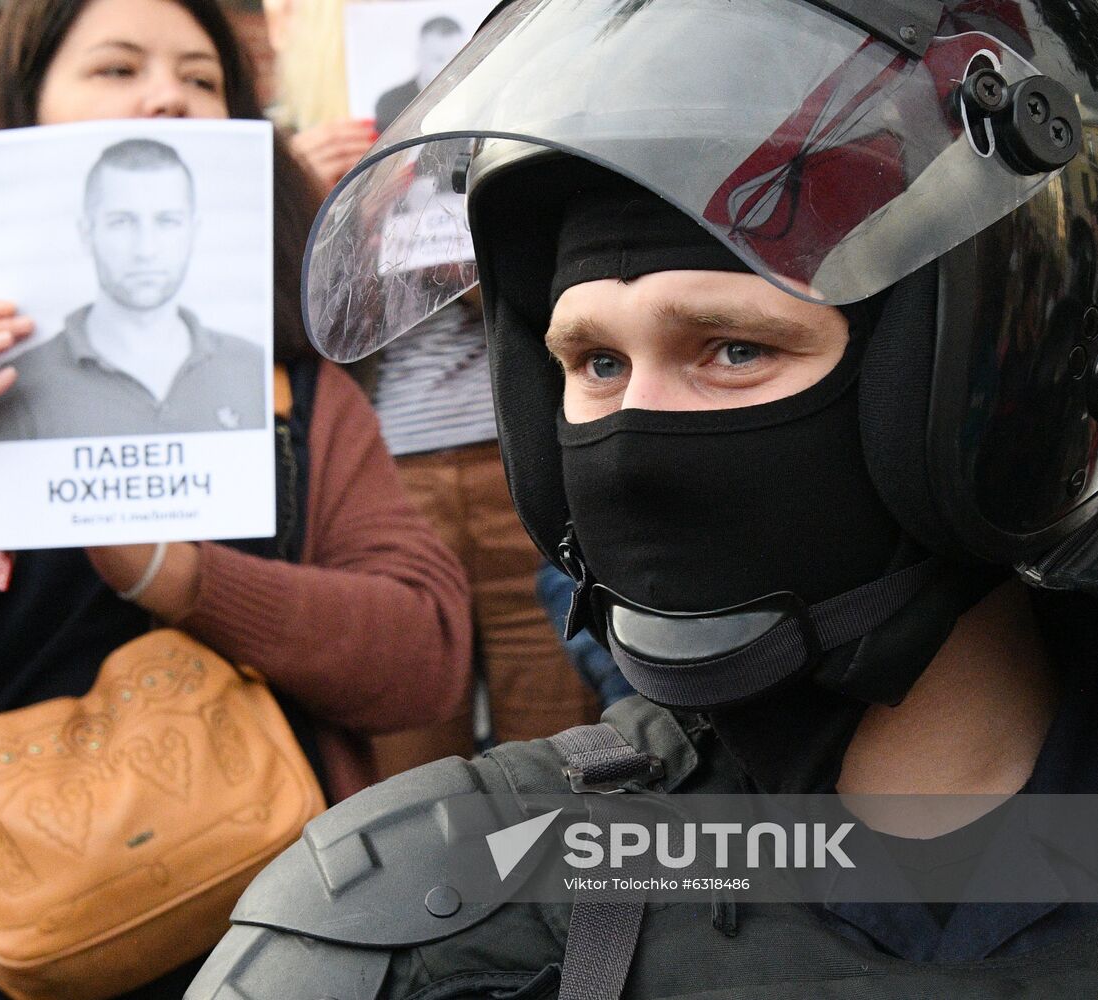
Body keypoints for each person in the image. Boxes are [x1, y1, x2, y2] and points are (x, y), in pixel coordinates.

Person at [186, 0, 1098, 995]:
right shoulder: (434, 917)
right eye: (594, 360)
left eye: (732, 347)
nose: (629, 447)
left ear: (986, 387)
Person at [0, 0, 471, 998]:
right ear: (23, 117)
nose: (166, 96)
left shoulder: (283, 379)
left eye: (201, 79)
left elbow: (426, 661)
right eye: (116, 70)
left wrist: (188, 579)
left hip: (278, 941)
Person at [270, 0, 596, 777]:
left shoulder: (528, 106)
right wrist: (317, 215)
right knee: (411, 752)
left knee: (554, 751)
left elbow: (562, 297)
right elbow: (301, 336)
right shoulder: (304, 141)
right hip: (383, 482)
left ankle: (553, 895)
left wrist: (474, 237)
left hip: (515, 460)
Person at [0, 137, 265, 441]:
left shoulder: (253, 368)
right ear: (86, 233)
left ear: (193, 231)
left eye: (167, 222)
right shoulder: (17, 383)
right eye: (122, 223)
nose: (146, 250)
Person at [372, 14, 463, 134]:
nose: (448, 67)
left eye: (455, 58)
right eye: (438, 59)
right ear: (420, 54)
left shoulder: (472, 98)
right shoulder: (391, 103)